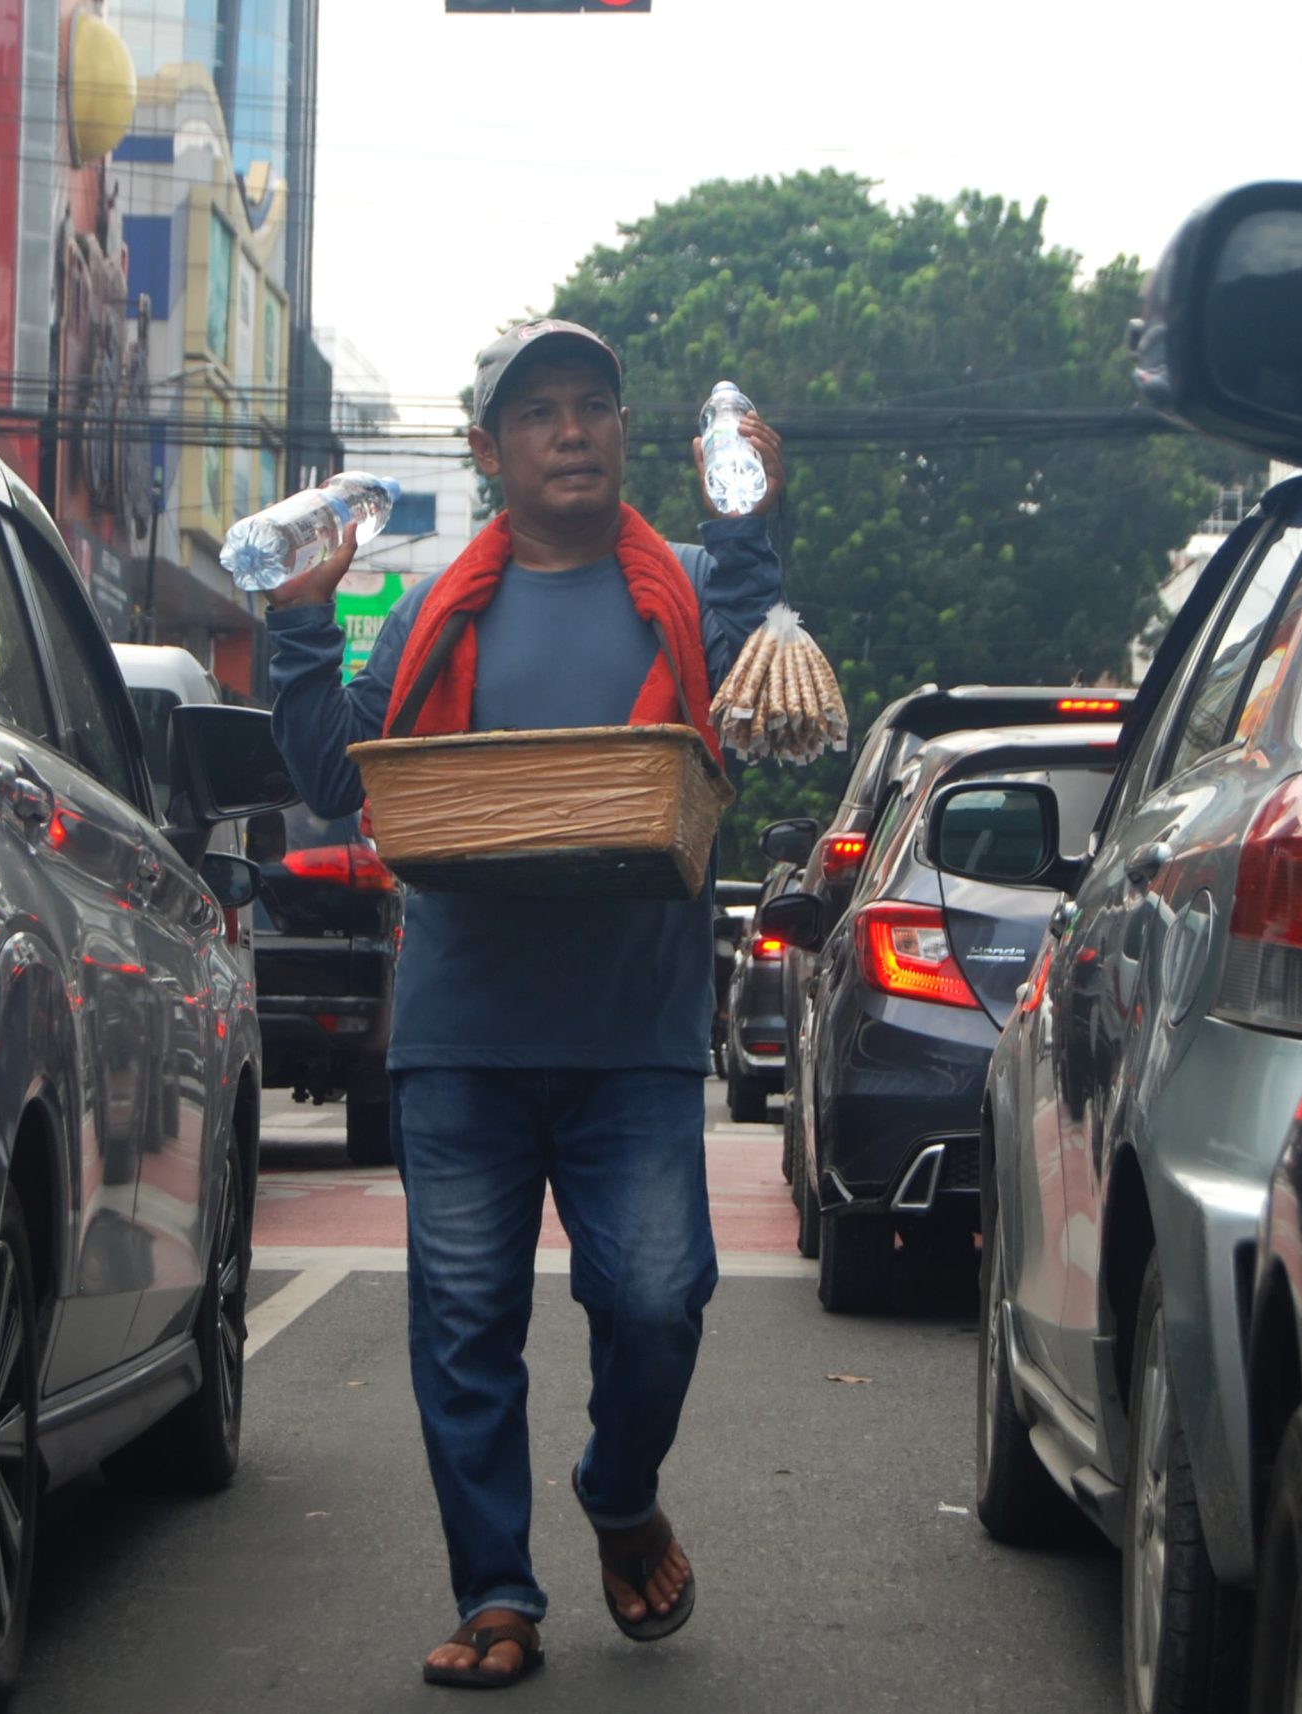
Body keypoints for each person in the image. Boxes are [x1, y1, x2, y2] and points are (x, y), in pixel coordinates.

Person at [263, 319, 785, 1689]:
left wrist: (756, 531)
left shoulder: (680, 588)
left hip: (637, 1037)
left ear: (623, 433)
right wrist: (302, 623)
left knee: (660, 1296)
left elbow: (749, 693)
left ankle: (621, 1491)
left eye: (593, 406)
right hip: (465, 1032)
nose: (573, 429)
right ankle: (497, 1591)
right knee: (466, 1319)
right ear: (488, 451)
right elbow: (337, 773)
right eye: (540, 411)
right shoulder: (442, 606)